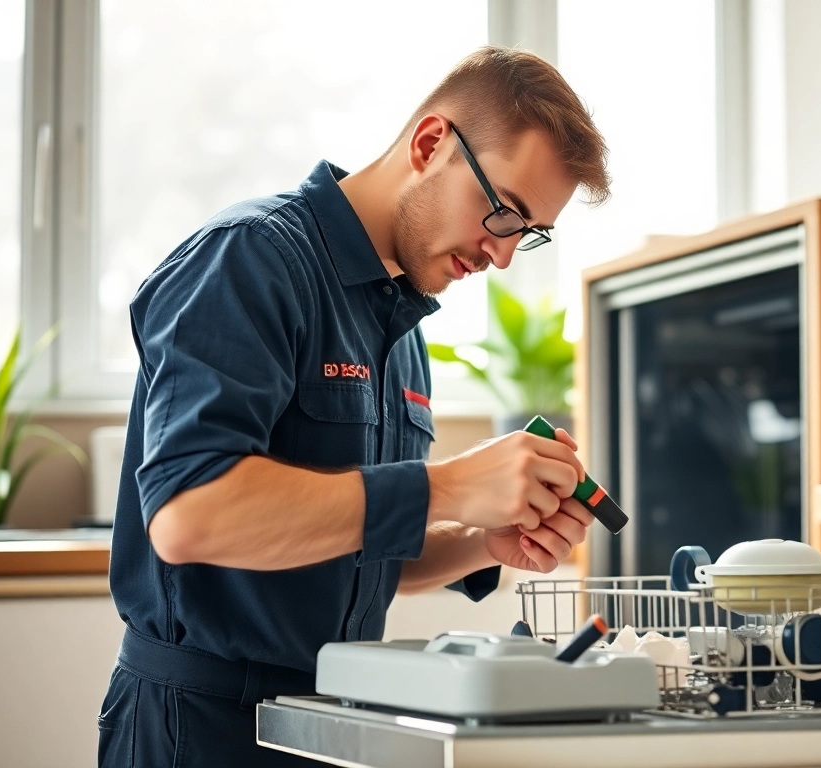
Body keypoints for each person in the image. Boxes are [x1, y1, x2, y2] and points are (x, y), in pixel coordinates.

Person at [98, 46, 611, 768]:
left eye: (527, 236)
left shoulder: (399, 329)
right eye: (502, 212)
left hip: (333, 719)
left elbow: (348, 546)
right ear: (431, 144)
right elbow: (189, 516)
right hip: (203, 728)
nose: (501, 256)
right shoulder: (250, 258)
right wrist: (450, 487)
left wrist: (482, 539)